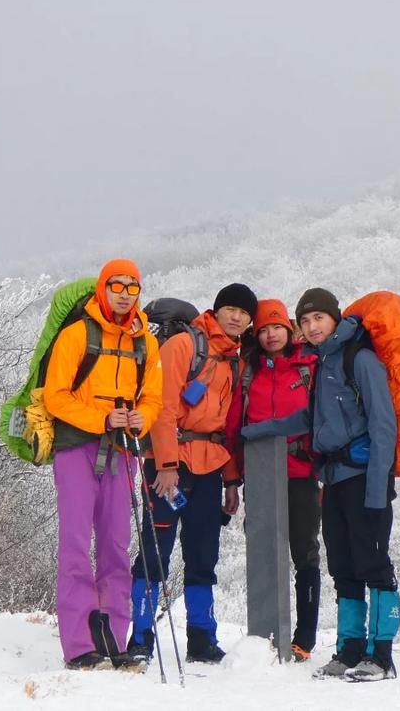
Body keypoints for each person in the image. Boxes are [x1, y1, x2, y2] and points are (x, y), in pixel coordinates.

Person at [242, 287, 400, 682]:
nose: (312, 326)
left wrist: (379, 489)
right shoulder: (322, 365)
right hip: (333, 478)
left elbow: (383, 425)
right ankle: (349, 650)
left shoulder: (358, 360)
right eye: (306, 320)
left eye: (319, 318)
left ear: (334, 319)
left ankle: (380, 656)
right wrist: (258, 430)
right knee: (343, 567)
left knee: (374, 566)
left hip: (365, 480)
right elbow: (308, 421)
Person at [43, 259, 163, 670]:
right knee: (75, 545)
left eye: (133, 287)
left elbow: (153, 397)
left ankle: (114, 640)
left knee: (115, 545)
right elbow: (55, 396)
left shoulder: (145, 342)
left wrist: (140, 418)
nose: (125, 293)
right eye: (118, 285)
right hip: (77, 448)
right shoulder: (77, 335)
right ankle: (79, 645)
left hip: (121, 452)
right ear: (102, 287)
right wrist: (102, 419)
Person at [127, 282, 256, 663]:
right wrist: (165, 465)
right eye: (230, 309)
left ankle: (201, 638)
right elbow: (162, 408)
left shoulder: (236, 360)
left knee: (203, 555)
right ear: (216, 311)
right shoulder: (183, 346)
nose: (236, 317)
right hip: (171, 466)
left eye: (244, 313)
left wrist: (231, 481)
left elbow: (227, 428)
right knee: (155, 551)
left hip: (210, 470)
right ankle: (141, 637)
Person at [225, 298, 321, 661]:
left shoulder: (308, 366)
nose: (270, 335)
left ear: (289, 328)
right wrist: (232, 478)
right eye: (263, 329)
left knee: (305, 553)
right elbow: (234, 428)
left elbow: (321, 419)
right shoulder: (248, 374)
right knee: (264, 552)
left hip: (301, 473)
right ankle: (264, 633)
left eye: (276, 327)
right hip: (261, 477)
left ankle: (304, 639)